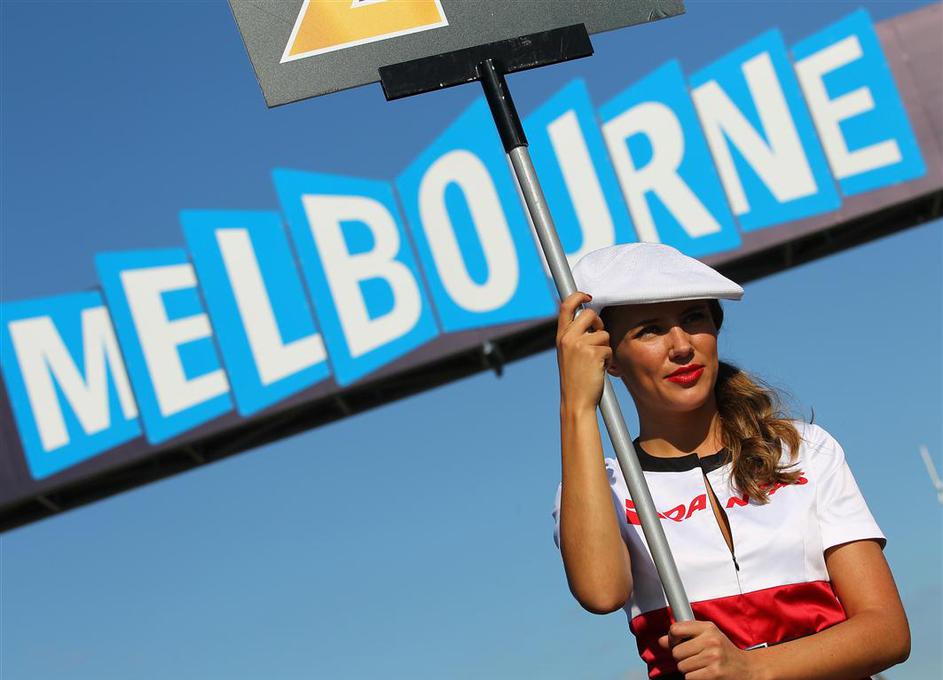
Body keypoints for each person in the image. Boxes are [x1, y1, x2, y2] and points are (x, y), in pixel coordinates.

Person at [551, 242, 910, 680]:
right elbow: (602, 593)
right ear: (611, 361)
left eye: (693, 319)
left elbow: (887, 632)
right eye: (649, 330)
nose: (681, 346)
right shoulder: (604, 488)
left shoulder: (801, 448)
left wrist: (751, 668)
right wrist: (576, 405)